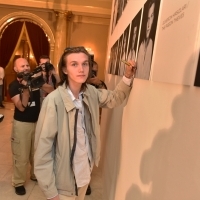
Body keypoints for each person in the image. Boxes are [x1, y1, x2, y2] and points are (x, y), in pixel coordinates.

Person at [34, 46, 136, 200]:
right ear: (65, 69)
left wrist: (127, 77)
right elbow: (43, 150)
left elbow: (115, 98)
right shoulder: (53, 101)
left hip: (84, 175)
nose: (81, 69)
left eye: (85, 64)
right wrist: (51, 192)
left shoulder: (91, 93)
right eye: (74, 64)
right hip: (63, 184)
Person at [8, 58, 54, 196]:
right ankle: (19, 182)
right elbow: (21, 108)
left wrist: (38, 82)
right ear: (16, 69)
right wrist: (26, 88)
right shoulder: (13, 85)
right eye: (22, 66)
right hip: (22, 124)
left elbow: (51, 90)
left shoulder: (35, 81)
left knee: (36, 153)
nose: (26, 67)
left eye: (27, 65)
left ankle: (35, 175)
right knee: (21, 155)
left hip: (38, 122)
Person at [136, 0, 155, 80]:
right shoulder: (141, 46)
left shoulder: (152, 45)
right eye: (147, 18)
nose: (148, 25)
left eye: (151, 17)